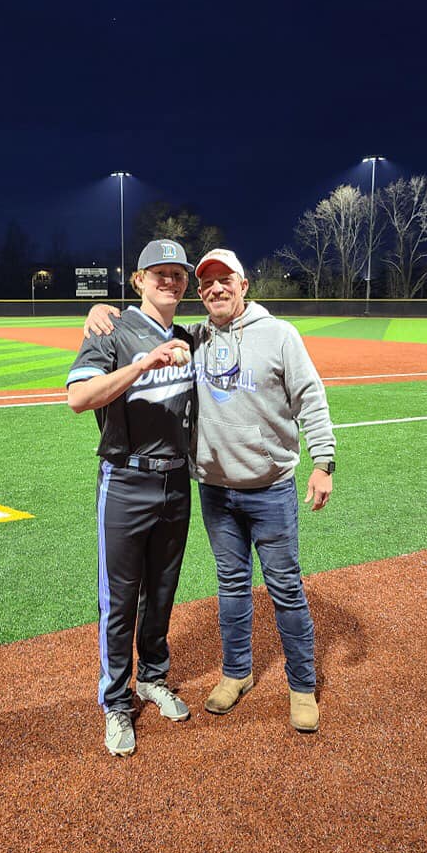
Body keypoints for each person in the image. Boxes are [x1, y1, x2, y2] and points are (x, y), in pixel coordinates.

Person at [84, 247, 336, 733]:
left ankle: (302, 684)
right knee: (232, 586)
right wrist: (98, 311)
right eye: (206, 283)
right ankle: (236, 674)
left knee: (285, 587)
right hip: (216, 492)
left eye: (225, 280)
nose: (215, 289)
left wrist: (323, 462)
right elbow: (140, 332)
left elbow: (311, 398)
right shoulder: (193, 338)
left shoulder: (280, 335)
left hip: (270, 488)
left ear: (244, 285)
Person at [66, 239, 196, 757]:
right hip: (125, 480)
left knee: (162, 593)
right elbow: (78, 398)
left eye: (178, 274)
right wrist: (143, 364)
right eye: (158, 273)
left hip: (176, 482)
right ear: (138, 280)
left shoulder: (191, 336)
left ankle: (153, 678)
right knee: (119, 600)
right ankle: (116, 702)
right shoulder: (111, 331)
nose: (170, 280)